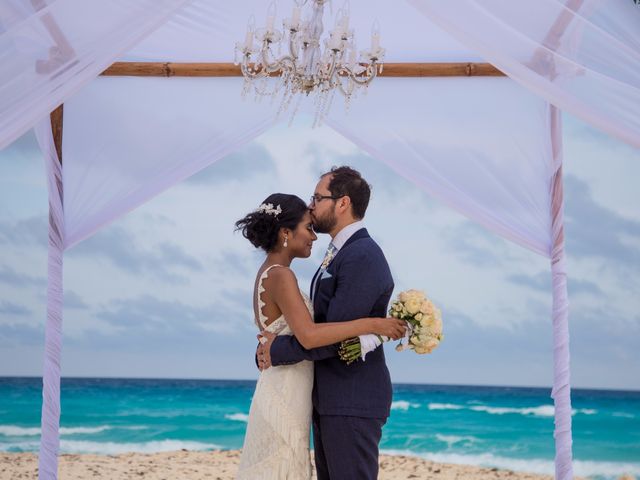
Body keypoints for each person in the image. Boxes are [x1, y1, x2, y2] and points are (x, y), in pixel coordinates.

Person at [234, 192, 405, 480]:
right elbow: (311, 335)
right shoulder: (282, 275)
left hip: (293, 389)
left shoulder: (272, 272)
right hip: (287, 390)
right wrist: (374, 324)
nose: (314, 236)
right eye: (308, 227)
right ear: (286, 233)